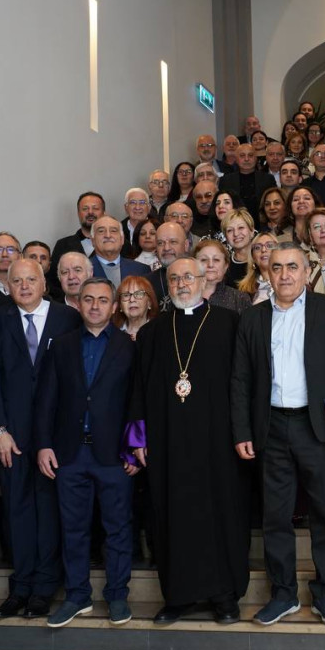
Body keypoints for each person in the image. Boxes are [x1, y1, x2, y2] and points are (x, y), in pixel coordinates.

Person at [231, 243, 325, 626]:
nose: (284, 274)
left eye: (292, 267)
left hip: (317, 426)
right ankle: (283, 594)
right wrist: (242, 430)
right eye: (277, 267)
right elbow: (241, 380)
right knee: (275, 516)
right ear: (266, 273)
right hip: (270, 427)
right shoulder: (252, 318)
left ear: (306, 272)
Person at [124, 258, 251, 625]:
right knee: (171, 514)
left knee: (221, 512)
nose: (182, 284)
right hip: (168, 442)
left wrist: (243, 432)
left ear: (203, 279)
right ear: (167, 285)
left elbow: (243, 381)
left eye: (188, 277)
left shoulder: (229, 323)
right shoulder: (152, 332)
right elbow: (138, 388)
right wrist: (138, 438)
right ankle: (177, 596)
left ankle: (224, 596)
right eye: (175, 278)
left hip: (218, 441)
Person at [0, 257, 83, 619]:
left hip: (56, 434)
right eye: (16, 281)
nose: (23, 286)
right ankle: (21, 587)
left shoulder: (68, 318)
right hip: (12, 435)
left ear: (44, 283)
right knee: (17, 509)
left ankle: (45, 588)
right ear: (8, 286)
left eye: (30, 280)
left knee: (50, 509)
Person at [33, 278, 137, 629]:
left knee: (118, 528)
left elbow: (136, 401)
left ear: (114, 306)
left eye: (103, 300)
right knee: (73, 528)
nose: (95, 306)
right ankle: (77, 596)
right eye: (88, 299)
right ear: (77, 304)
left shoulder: (128, 346)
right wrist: (44, 444)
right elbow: (46, 399)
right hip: (70, 453)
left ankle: (117, 595)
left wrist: (134, 448)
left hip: (114, 455)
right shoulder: (61, 346)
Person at [89, 216, 152, 286]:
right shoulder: (84, 269)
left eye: (113, 231)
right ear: (92, 240)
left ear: (122, 239)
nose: (108, 235)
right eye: (101, 231)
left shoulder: (141, 270)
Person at [195, 239, 252, 314]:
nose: (210, 265)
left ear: (225, 266)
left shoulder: (240, 299)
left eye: (216, 260)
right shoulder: (185, 295)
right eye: (204, 260)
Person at [220, 144, 277, 217]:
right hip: (233, 220)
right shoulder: (226, 180)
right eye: (242, 156)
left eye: (250, 155)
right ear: (236, 159)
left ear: (256, 158)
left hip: (262, 221)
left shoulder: (268, 179)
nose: (246, 159)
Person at [148, 222, 189, 311]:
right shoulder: (147, 283)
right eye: (160, 243)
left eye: (173, 242)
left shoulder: (198, 277)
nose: (166, 248)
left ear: (186, 245)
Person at [237, 232, 278, 304]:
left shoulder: (291, 279)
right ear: (253, 257)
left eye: (269, 245)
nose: (263, 250)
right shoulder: (245, 290)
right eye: (257, 247)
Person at [114, 275, 159, 339]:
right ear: (120, 306)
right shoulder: (112, 335)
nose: (132, 300)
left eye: (138, 294)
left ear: (149, 302)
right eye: (126, 295)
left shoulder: (159, 331)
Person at [221, 208, 257, 287]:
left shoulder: (261, 260)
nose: (236, 234)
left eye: (241, 228)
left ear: (252, 231)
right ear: (226, 237)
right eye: (230, 230)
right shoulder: (224, 267)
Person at [120, 188, 152, 255]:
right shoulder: (118, 229)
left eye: (142, 203)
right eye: (133, 202)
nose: (137, 207)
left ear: (149, 207)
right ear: (126, 207)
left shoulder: (158, 228)